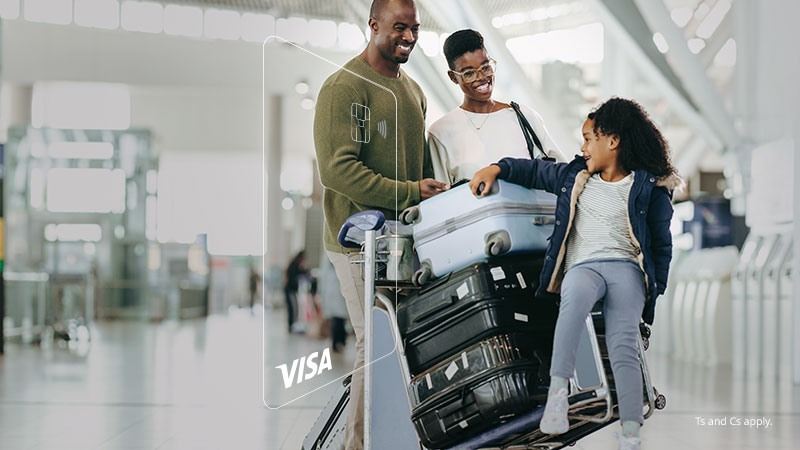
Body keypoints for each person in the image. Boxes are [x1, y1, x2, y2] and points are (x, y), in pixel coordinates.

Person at [470, 98, 681, 450]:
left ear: (612, 141)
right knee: (572, 305)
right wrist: (497, 168)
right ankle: (557, 396)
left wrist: (653, 292)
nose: (582, 147)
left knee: (623, 342)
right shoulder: (574, 177)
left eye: (588, 138)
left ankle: (630, 429)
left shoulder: (649, 188)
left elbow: (662, 246)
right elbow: (534, 171)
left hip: (627, 269)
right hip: (583, 266)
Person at [313, 1, 448, 448]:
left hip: (402, 243)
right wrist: (411, 191)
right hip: (356, 243)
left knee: (401, 351)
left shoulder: (414, 92)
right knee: (376, 349)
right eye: (398, 27)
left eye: (414, 28)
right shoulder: (345, 87)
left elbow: (421, 167)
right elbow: (338, 171)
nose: (408, 36)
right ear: (373, 26)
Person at [428, 29, 564, 185]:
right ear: (453, 77)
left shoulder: (524, 116)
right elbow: (442, 197)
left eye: (485, 67)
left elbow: (560, 173)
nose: (481, 78)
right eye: (469, 73)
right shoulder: (441, 132)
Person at [317, 256, 349, 352]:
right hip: (335, 296)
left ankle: (338, 342)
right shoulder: (330, 268)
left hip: (336, 296)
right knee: (338, 320)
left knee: (338, 320)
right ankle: (338, 342)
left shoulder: (332, 268)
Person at [283, 251, 308, 333]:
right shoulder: (294, 266)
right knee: (292, 308)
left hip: (291, 290)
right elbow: (299, 274)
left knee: (294, 308)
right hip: (290, 290)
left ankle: (292, 325)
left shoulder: (294, 265)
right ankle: (291, 326)